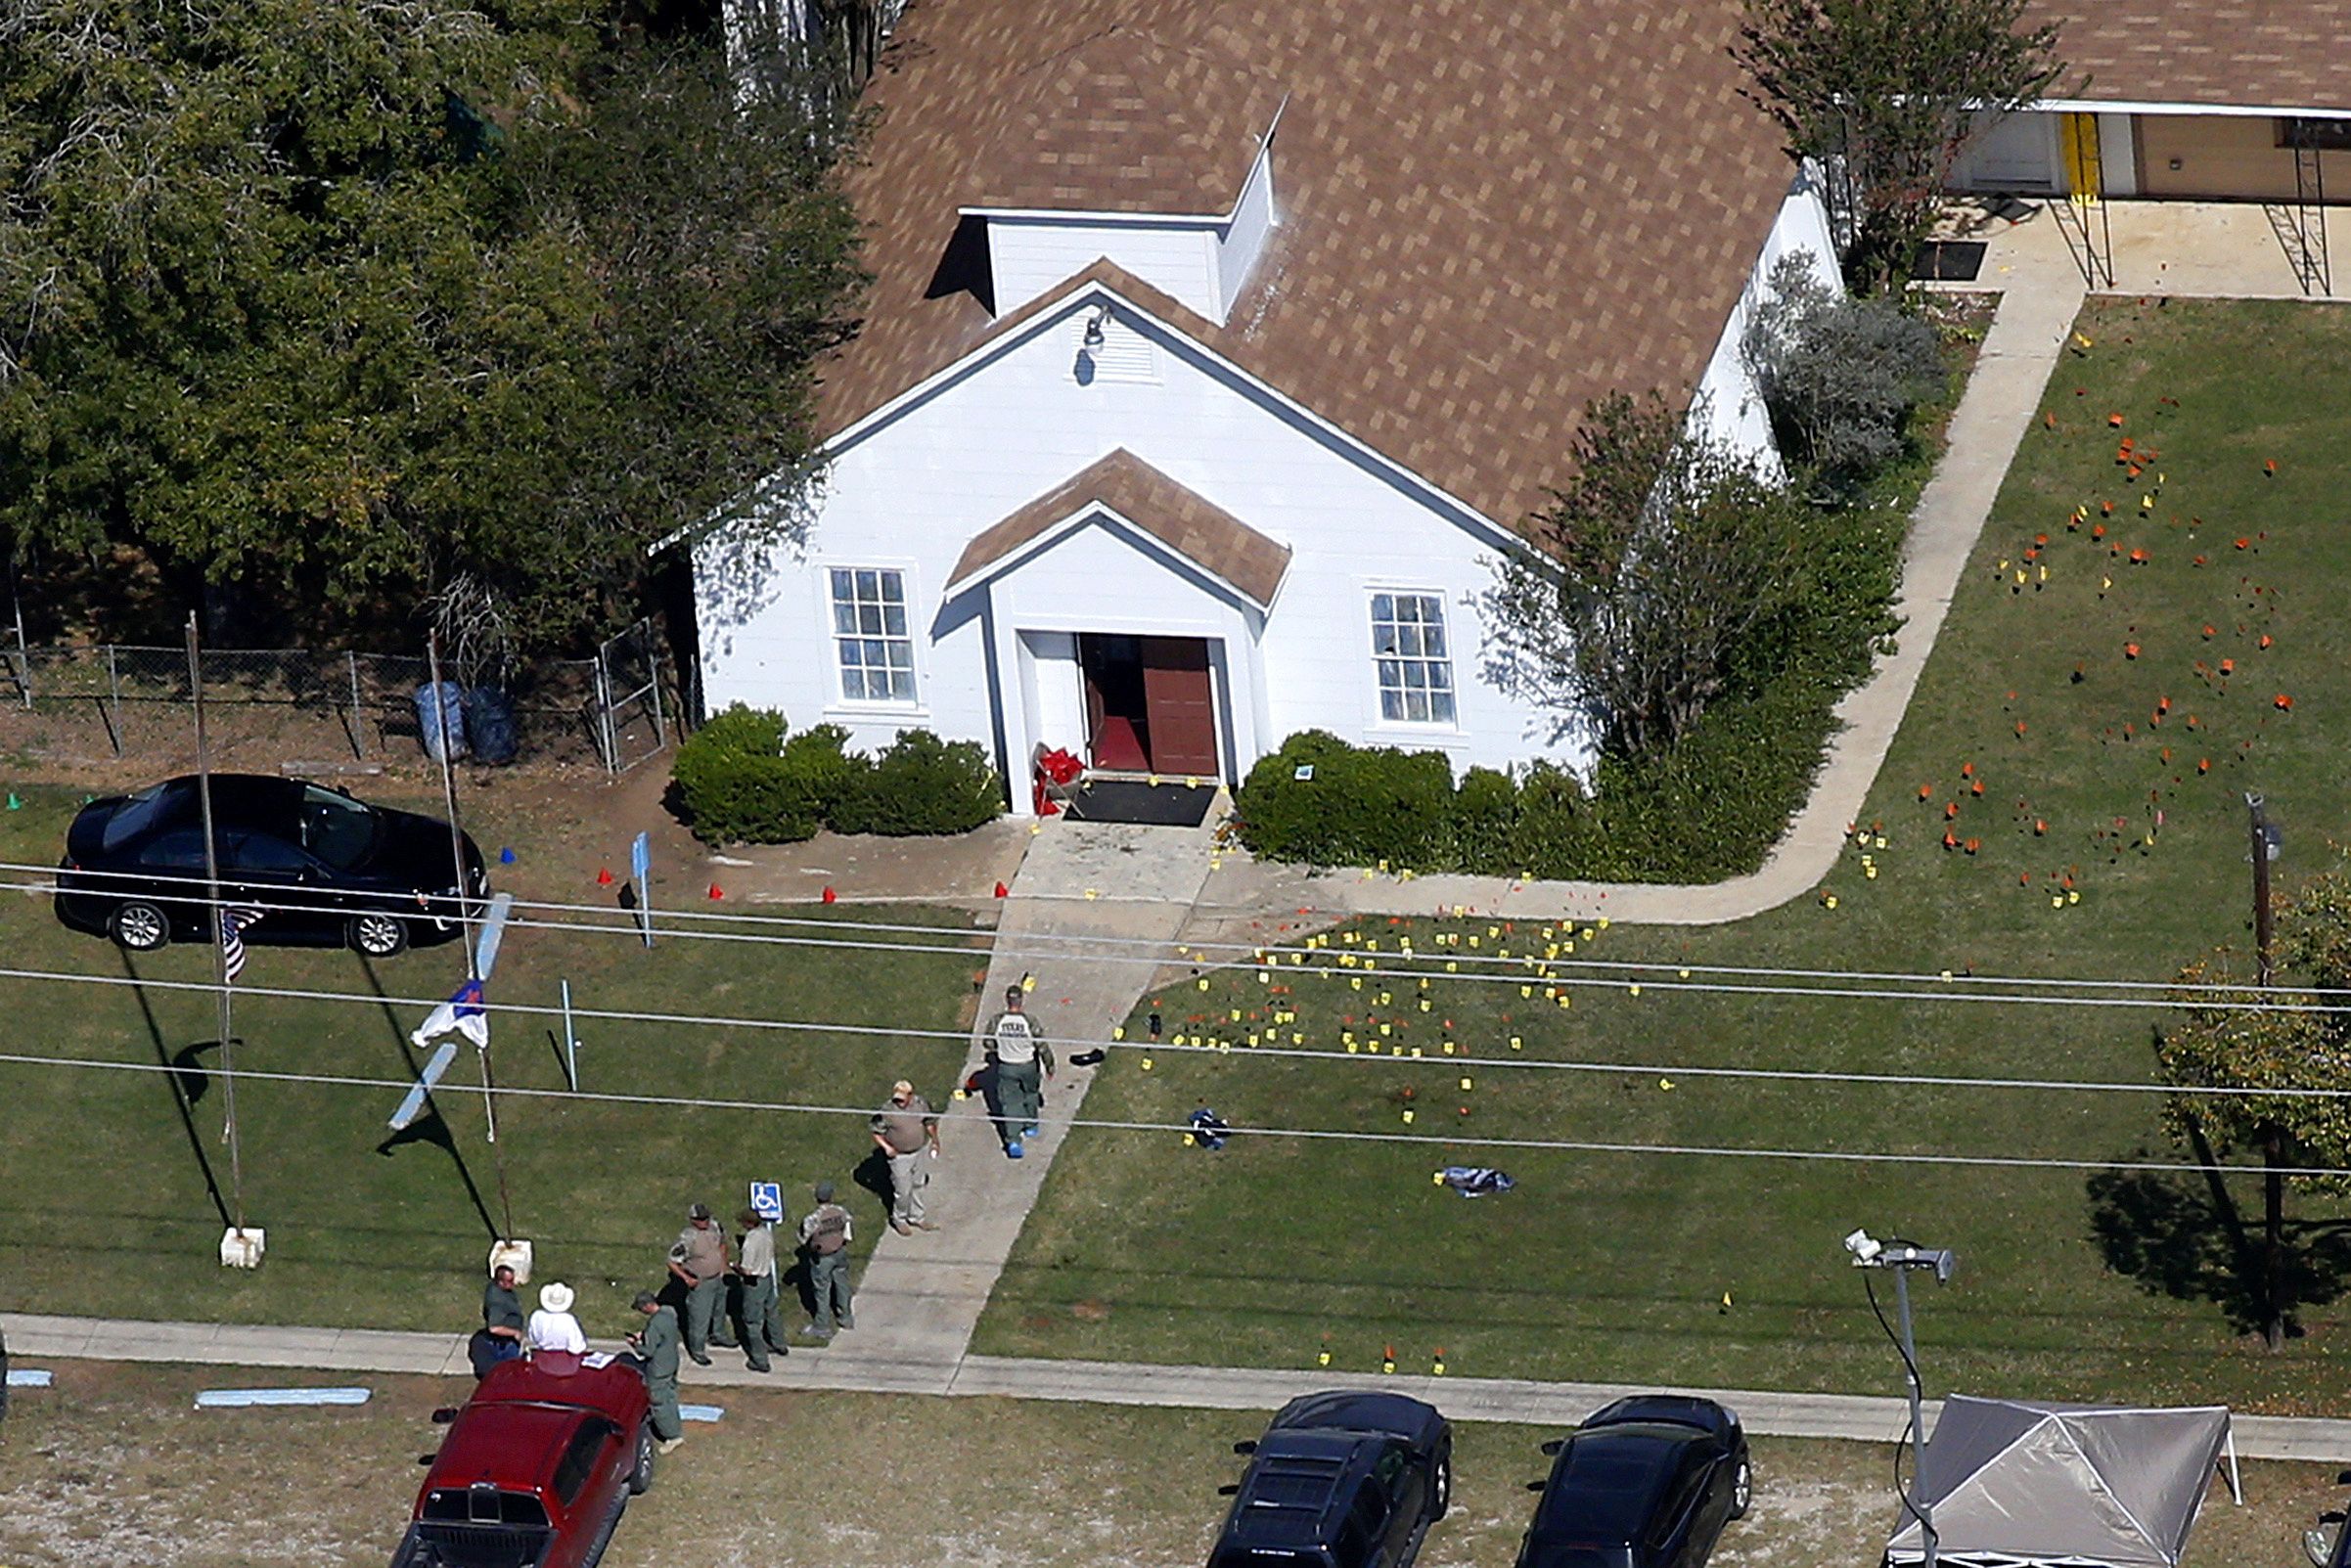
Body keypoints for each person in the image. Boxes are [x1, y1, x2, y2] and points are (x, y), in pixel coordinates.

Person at [984, 983, 1054, 1158]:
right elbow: (1042, 1046)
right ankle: (1031, 1125)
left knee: (1010, 1103)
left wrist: (1001, 1048)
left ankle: (1014, 1141)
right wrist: (1050, 1065)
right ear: (1021, 1001)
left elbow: (988, 1043)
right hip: (1028, 1065)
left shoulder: (997, 1021)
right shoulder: (1029, 1021)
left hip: (1007, 1066)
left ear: (1007, 1000)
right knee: (1031, 1093)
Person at [870, 1079, 940, 1234]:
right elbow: (876, 1132)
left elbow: (929, 1122)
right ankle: (899, 1219)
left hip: (919, 1151)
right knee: (903, 1190)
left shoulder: (921, 1104)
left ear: (910, 1095)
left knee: (919, 1184)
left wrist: (935, 1141)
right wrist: (887, 1148)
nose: (899, 1102)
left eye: (902, 1099)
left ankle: (917, 1217)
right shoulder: (887, 1111)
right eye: (896, 1099)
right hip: (900, 1157)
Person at [667, 1202, 731, 1366]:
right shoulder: (688, 1238)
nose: (705, 1222)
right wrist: (687, 1279)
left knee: (719, 1310)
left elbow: (723, 1244)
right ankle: (697, 1350)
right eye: (700, 1219)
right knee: (700, 1319)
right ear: (692, 1220)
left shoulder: (715, 1227)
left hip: (718, 1277)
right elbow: (672, 1262)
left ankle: (719, 1335)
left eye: (706, 1218)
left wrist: (723, 1265)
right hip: (701, 1282)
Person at [626, 1290, 686, 1454]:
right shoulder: (669, 1313)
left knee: (658, 1401)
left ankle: (671, 1435)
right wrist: (647, 1335)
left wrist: (635, 1344)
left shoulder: (654, 1324)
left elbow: (648, 1351)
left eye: (640, 1308)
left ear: (646, 1306)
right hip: (672, 1361)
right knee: (670, 1396)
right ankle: (675, 1425)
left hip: (658, 1367)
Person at [732, 1206, 789, 1372]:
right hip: (767, 1277)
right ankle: (779, 1343)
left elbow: (747, 1270)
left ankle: (760, 1360)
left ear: (748, 1223)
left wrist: (735, 1267)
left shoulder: (750, 1242)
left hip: (754, 1283)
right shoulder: (766, 1233)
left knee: (752, 1322)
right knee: (772, 1311)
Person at [797, 1180, 855, 1339]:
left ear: (817, 1197)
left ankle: (821, 1326)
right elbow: (848, 1231)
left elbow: (803, 1239)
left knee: (822, 1291)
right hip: (840, 1252)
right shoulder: (841, 1212)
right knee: (842, 1285)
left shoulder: (813, 1218)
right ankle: (846, 1317)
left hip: (822, 1258)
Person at [470, 1262, 527, 1377]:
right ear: (500, 1282)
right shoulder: (498, 1303)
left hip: (505, 1342)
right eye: (510, 1281)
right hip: (503, 1343)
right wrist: (515, 1333)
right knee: (509, 1374)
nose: (513, 1283)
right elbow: (494, 1328)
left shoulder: (495, 1287)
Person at [527, 1281, 587, 1370]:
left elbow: (532, 1337)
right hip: (564, 1363)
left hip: (541, 1362)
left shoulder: (536, 1316)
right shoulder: (568, 1320)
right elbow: (576, 1348)